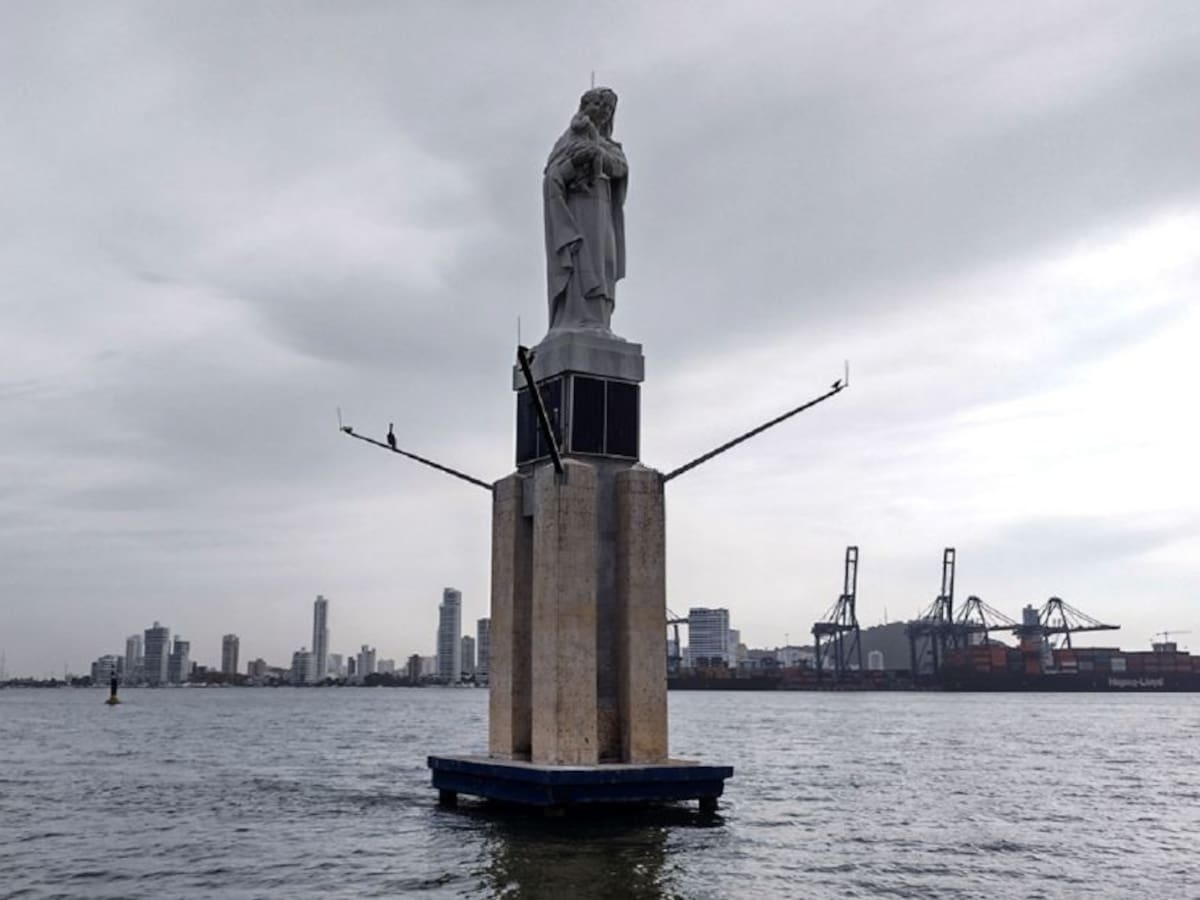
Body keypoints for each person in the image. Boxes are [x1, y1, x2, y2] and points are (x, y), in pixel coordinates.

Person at [542, 87, 628, 335]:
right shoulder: (566, 142)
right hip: (576, 212)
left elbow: (620, 169)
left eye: (609, 108)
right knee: (581, 261)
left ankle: (600, 322)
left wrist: (598, 153)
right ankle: (575, 320)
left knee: (604, 264)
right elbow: (552, 179)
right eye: (599, 105)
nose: (604, 112)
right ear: (585, 106)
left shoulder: (611, 146)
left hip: (603, 212)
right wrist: (574, 163)